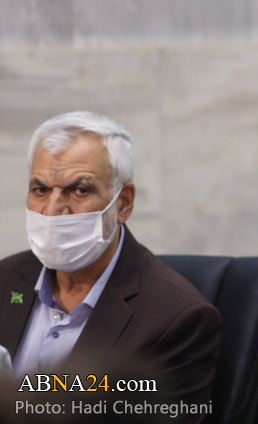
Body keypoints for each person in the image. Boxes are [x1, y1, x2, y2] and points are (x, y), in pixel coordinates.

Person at [0, 112, 221, 413]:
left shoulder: (176, 319)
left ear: (123, 203)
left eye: (80, 190)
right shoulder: (5, 280)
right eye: (41, 190)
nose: (52, 210)